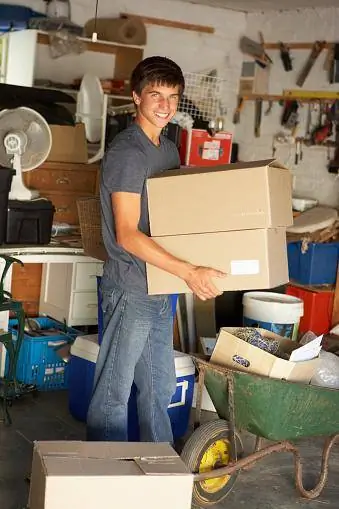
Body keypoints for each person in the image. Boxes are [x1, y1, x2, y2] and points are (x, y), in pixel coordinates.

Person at [86, 56, 225, 443]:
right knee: (113, 392)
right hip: (132, 288)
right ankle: (103, 481)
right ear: (136, 97)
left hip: (161, 289)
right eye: (155, 95)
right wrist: (189, 272)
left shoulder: (167, 150)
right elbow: (128, 234)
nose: (165, 105)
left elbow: (171, 220)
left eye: (173, 96)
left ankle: (157, 469)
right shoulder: (128, 153)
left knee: (158, 387)